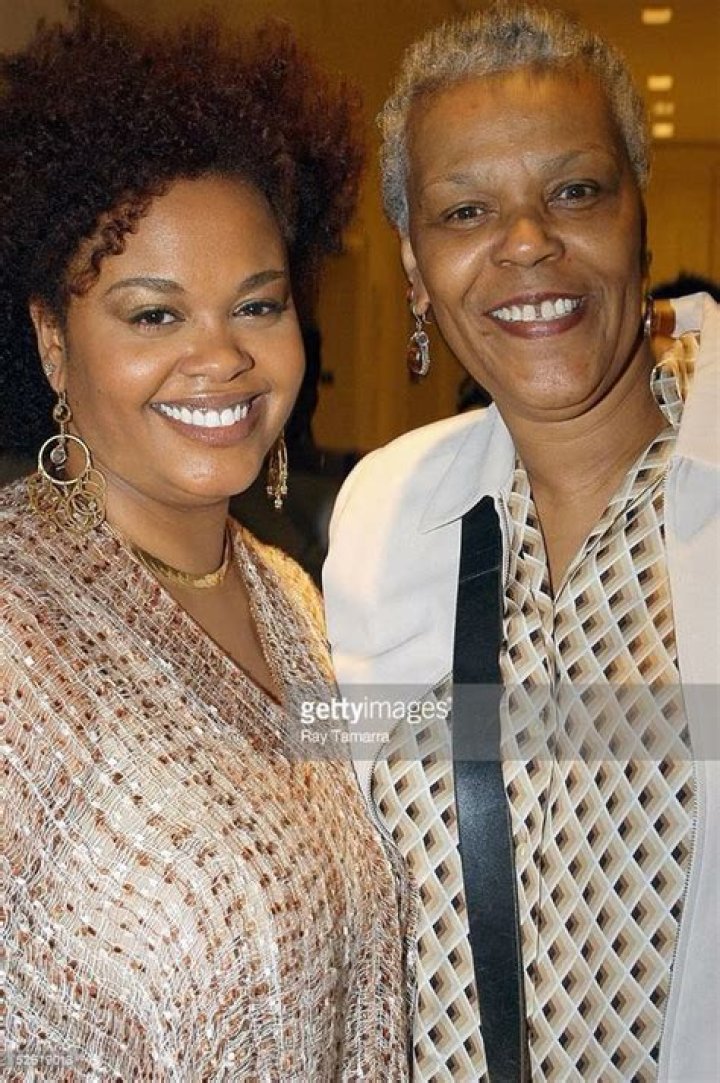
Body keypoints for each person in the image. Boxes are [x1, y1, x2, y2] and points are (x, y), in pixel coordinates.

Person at [1, 11, 415, 1078]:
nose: (221, 359)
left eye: (256, 305)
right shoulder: (16, 634)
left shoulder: (291, 600)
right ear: (52, 339)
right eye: (154, 316)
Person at [324, 3, 719, 1080]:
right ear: (417, 269)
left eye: (575, 191)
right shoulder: (384, 512)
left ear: (638, 217)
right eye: (466, 211)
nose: (528, 241)